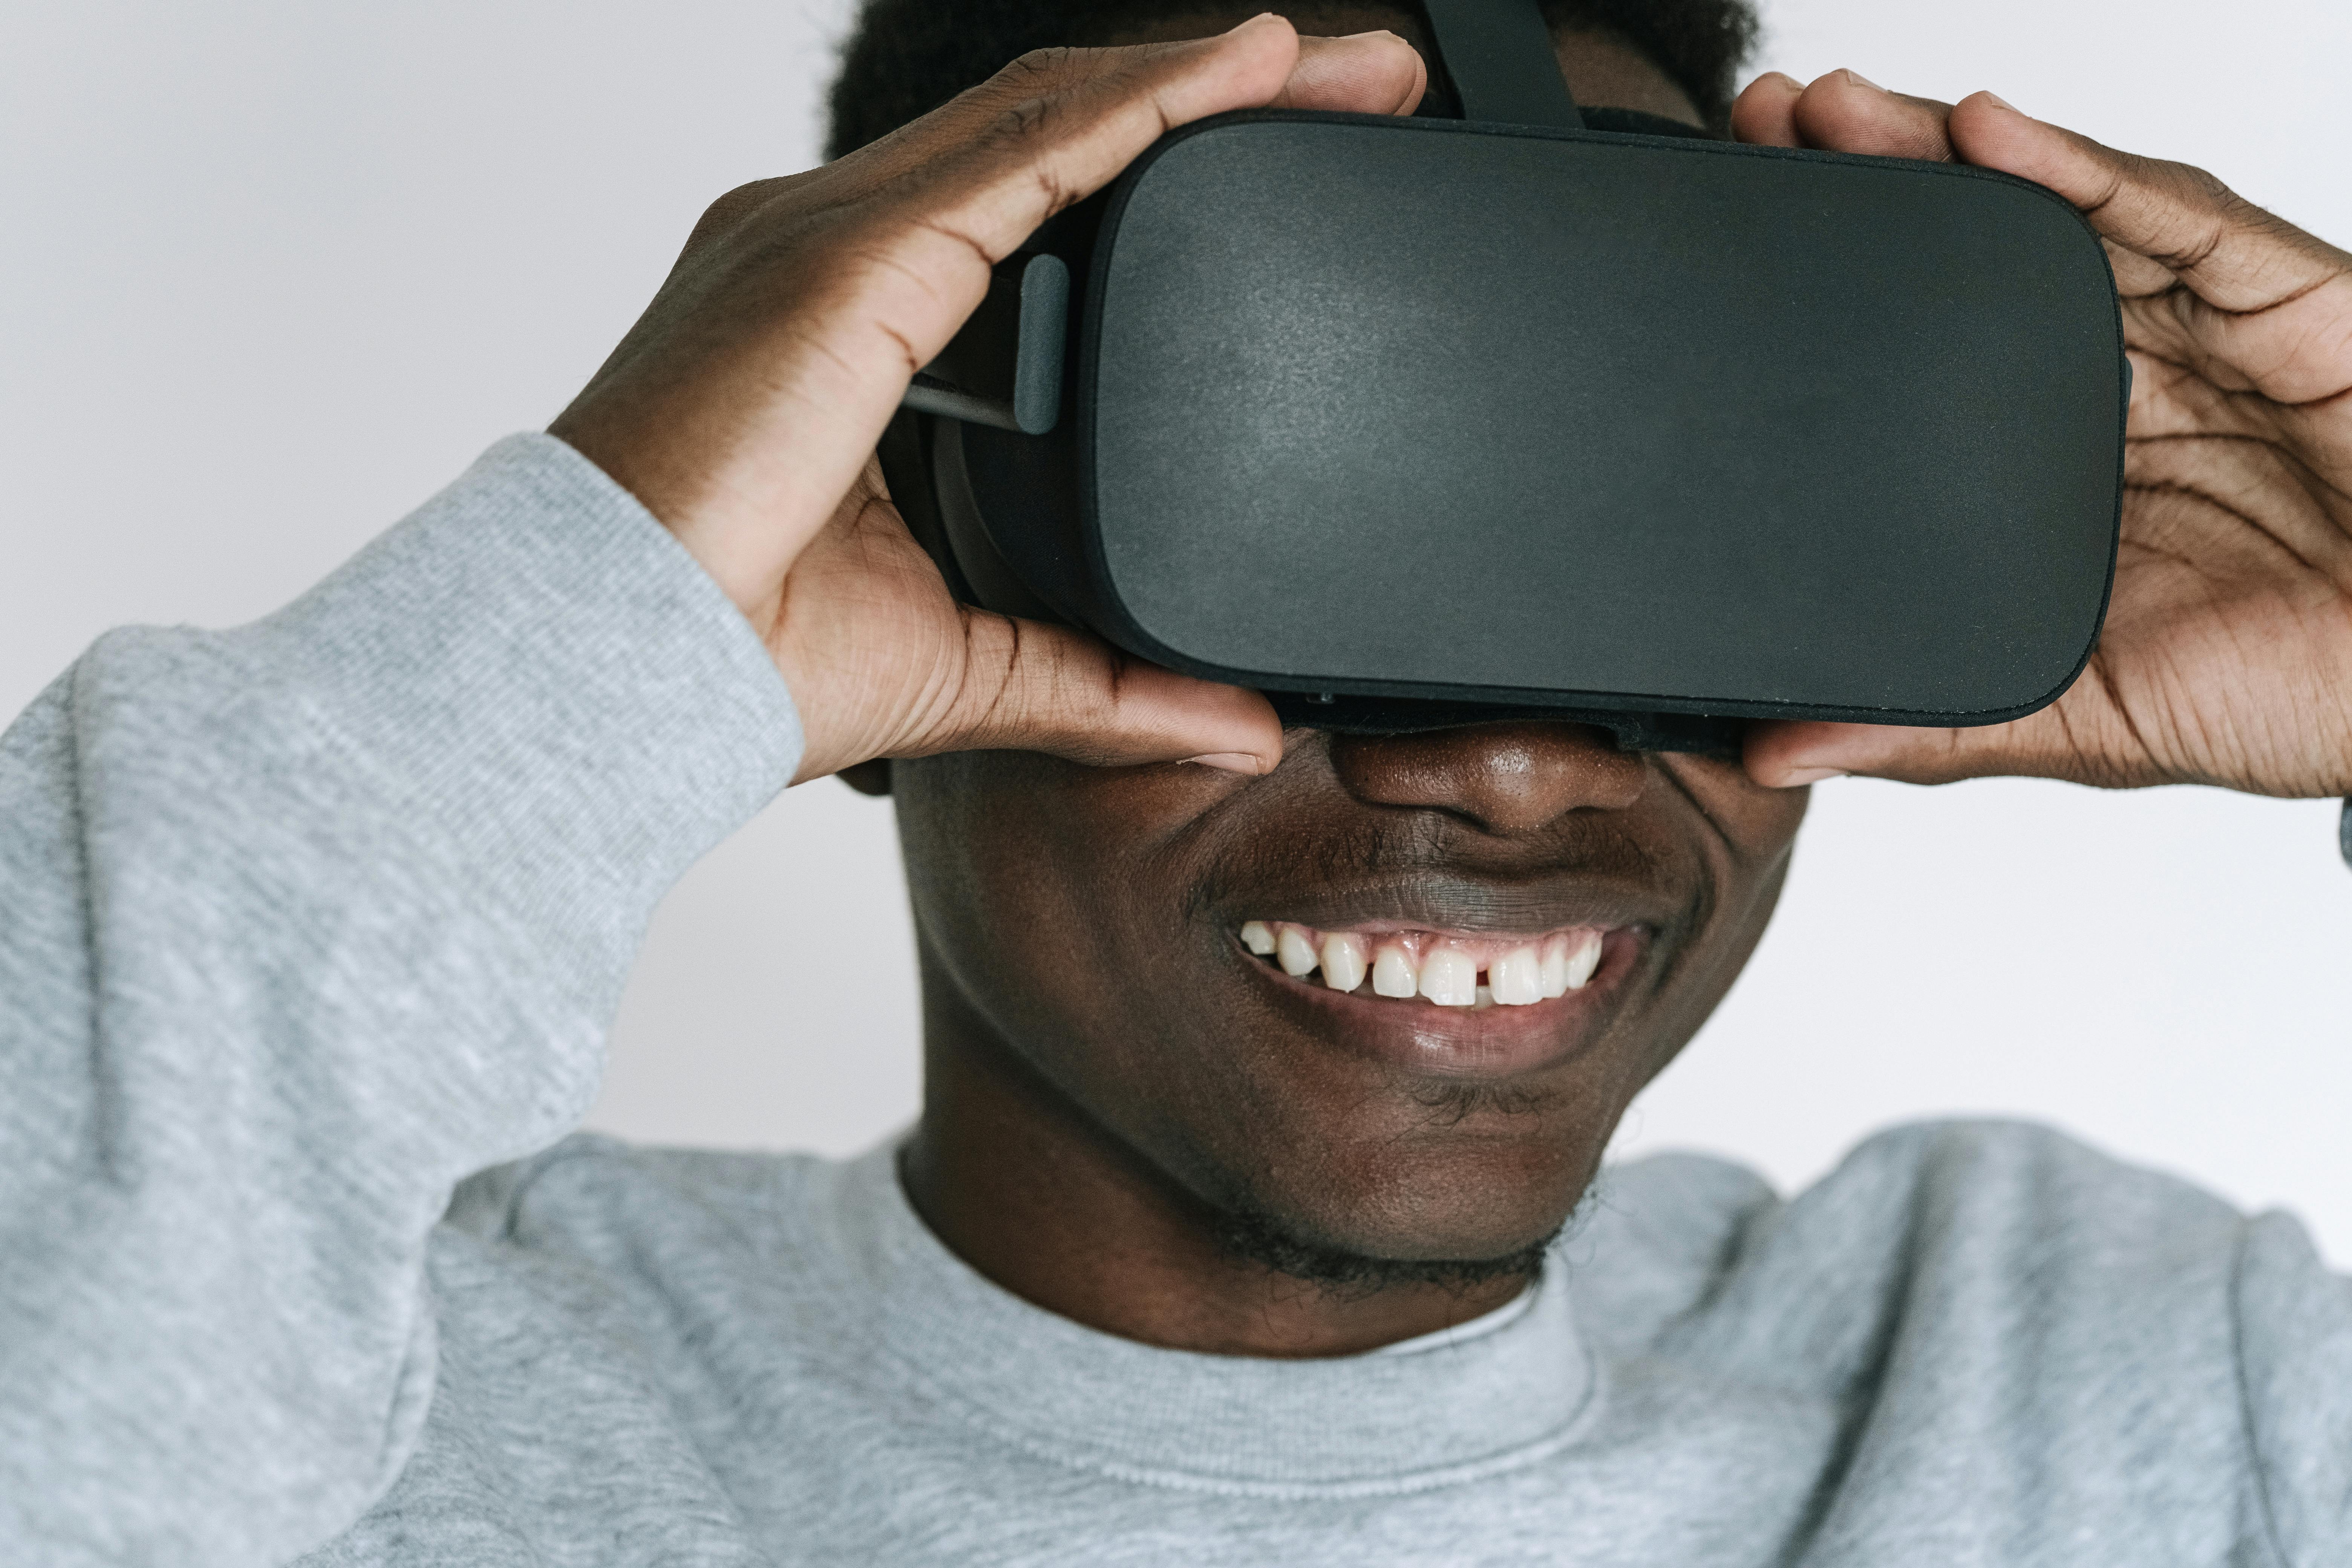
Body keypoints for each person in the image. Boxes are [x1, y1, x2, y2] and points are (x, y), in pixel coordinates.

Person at [4, 2, 2347, 1562]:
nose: (1517, 760)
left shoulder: (2123, 1380)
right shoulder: (313, 1379)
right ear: (885, 506)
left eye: (1675, 508)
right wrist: (602, 619)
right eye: (1301, 493)